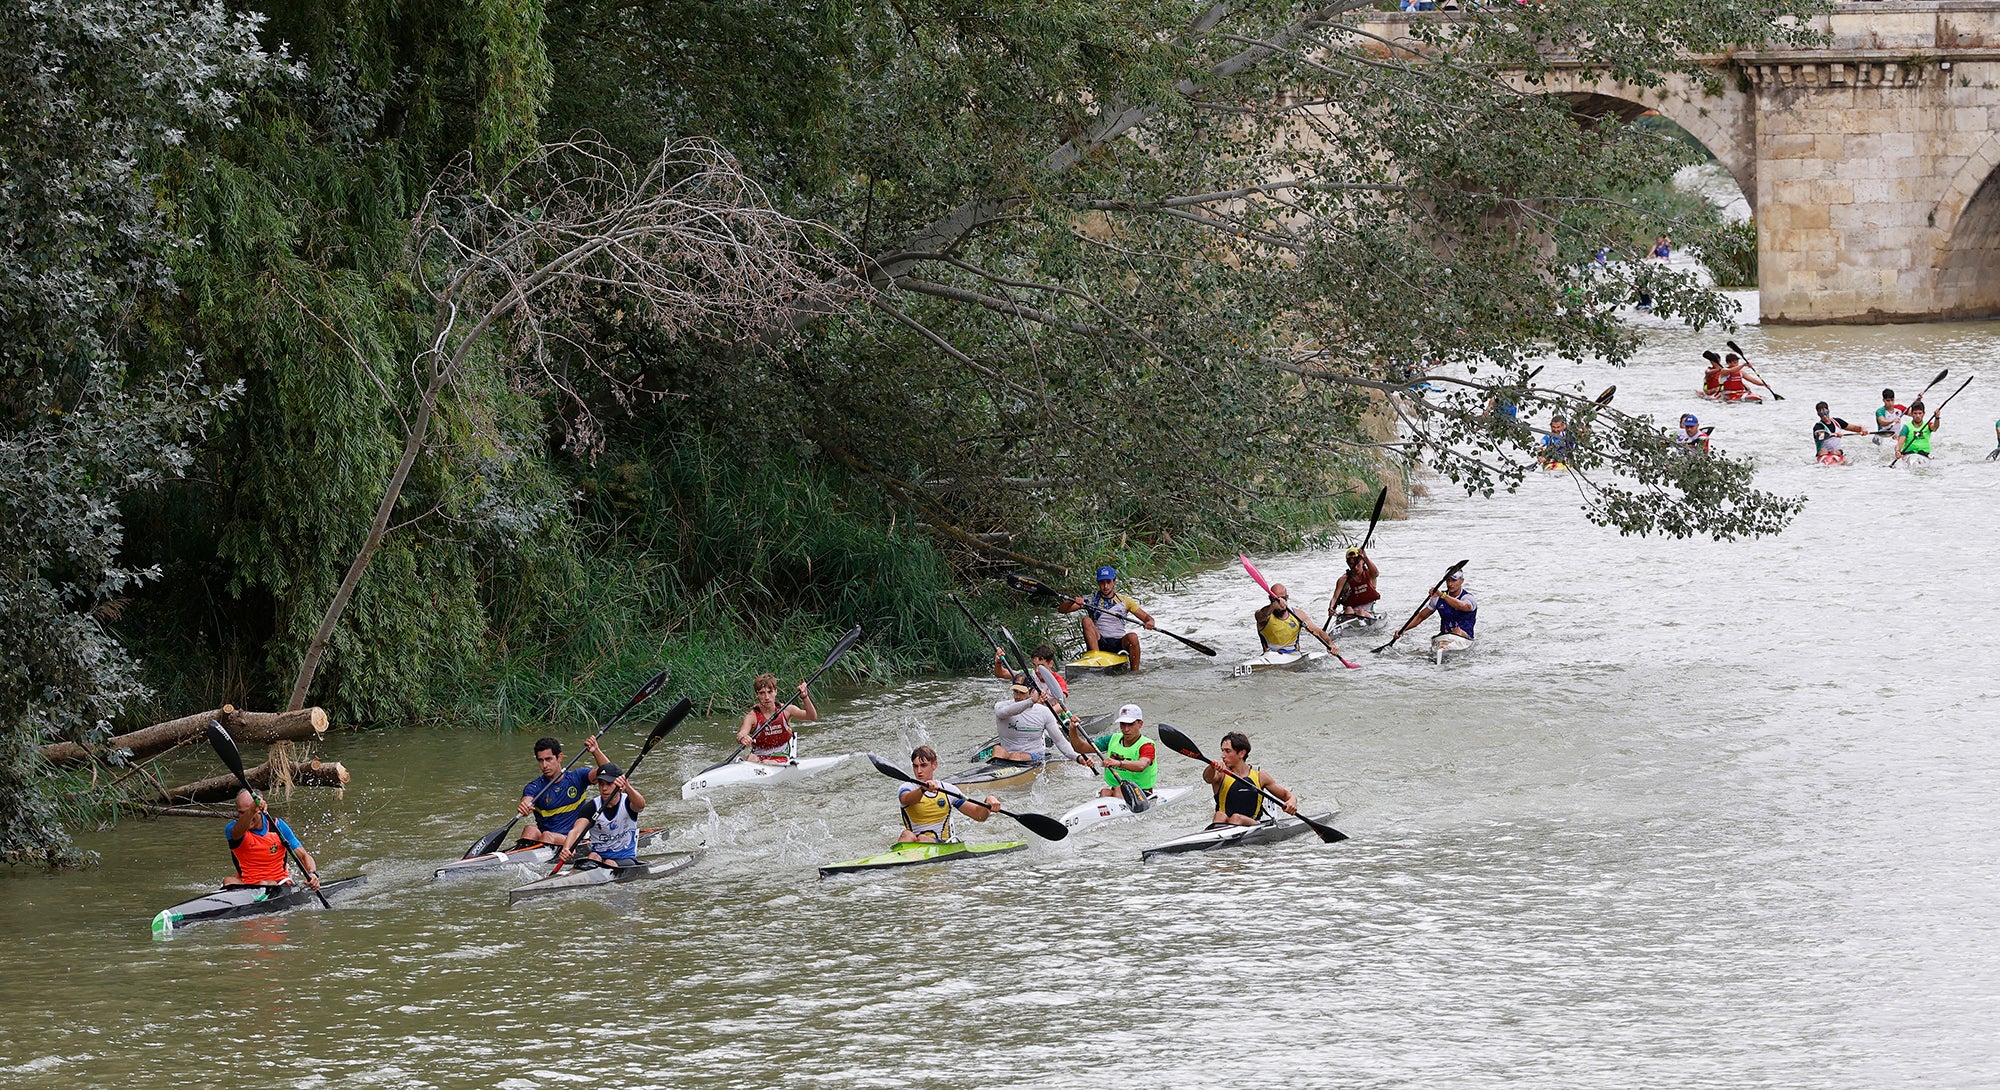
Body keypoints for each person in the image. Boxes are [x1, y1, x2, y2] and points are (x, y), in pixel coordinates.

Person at [1057, 566, 1157, 671]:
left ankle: (1135, 673)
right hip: (1100, 641)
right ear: (1098, 583)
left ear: (1114, 581)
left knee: (1133, 637)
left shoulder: (1125, 601)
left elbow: (1146, 617)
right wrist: (1072, 601)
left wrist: (1150, 622)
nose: (1105, 586)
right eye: (1102, 582)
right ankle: (1096, 659)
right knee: (1086, 620)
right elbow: (1062, 610)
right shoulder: (1090, 599)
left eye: (1108, 582)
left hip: (1119, 642)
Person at [518, 735, 612, 847]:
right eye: (540, 760)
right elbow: (527, 800)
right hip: (547, 839)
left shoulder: (578, 777)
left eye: (548, 759)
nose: (544, 765)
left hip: (573, 837)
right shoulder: (534, 786)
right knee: (530, 830)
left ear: (560, 757)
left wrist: (596, 751)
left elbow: (610, 772)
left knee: (547, 836)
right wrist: (524, 805)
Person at [224, 788, 321, 890]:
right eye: (241, 813)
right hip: (247, 885)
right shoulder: (232, 829)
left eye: (250, 811)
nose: (246, 816)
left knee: (265, 883)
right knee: (228, 881)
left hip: (278, 884)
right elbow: (237, 833)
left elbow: (304, 856)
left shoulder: (278, 827)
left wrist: (312, 874)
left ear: (260, 810)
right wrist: (251, 811)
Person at [897, 745, 999, 843]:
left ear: (934, 765)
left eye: (923, 765)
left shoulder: (948, 790)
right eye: (915, 766)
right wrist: (922, 790)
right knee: (906, 835)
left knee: (923, 838)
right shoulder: (907, 787)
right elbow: (906, 800)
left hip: (942, 844)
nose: (919, 771)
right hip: (914, 843)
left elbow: (978, 815)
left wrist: (988, 803)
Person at [555, 763, 646, 870]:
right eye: (601, 784)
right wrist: (567, 848)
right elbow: (576, 831)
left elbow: (641, 806)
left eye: (609, 784)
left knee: (609, 863)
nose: (604, 788)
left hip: (625, 858)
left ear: (619, 784)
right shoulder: (592, 807)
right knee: (592, 856)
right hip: (598, 857)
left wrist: (628, 787)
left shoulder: (628, 802)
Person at [1202, 732, 1300, 829]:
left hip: (1253, 825)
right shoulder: (1220, 774)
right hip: (1222, 825)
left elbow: (1287, 795)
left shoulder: (1260, 776)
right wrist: (1212, 766)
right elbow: (1207, 778)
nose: (1223, 755)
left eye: (1227, 751)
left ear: (1242, 753)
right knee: (1220, 815)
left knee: (1236, 818)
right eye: (1222, 751)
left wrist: (1292, 802)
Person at [990, 682, 1084, 764]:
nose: (1017, 696)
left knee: (1015, 756)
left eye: (1022, 693)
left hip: (1035, 756)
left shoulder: (1044, 712)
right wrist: (1031, 701)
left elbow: (1060, 742)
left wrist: (1078, 757)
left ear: (1031, 692)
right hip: (1008, 755)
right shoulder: (1001, 706)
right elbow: (1005, 712)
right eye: (1015, 691)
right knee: (997, 750)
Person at [738, 674, 818, 766]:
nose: (767, 697)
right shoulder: (752, 716)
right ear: (757, 695)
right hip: (759, 754)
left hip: (782, 752)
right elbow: (741, 733)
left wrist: (805, 697)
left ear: (775, 692)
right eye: (762, 693)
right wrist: (743, 738)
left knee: (766, 762)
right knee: (751, 759)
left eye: (770, 692)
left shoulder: (787, 710)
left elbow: (811, 716)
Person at [1253, 583, 1344, 658]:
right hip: (1270, 656)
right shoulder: (1262, 615)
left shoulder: (1298, 615)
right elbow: (1261, 616)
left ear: (1287, 598)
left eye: (1283, 599)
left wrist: (1330, 644)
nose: (1281, 603)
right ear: (1270, 599)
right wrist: (1273, 605)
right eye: (1276, 600)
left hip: (1293, 655)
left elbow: (1319, 632)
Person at [1093, 704, 1159, 803]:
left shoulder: (1147, 745)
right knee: (1105, 792)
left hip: (1142, 793)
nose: (1126, 729)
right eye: (1123, 724)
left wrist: (1118, 763)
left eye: (1130, 724)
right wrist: (1073, 729)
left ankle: (1120, 810)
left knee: (1119, 789)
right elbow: (1080, 747)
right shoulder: (1113, 739)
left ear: (1140, 724)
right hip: (1119, 789)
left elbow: (1141, 765)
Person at [1390, 569, 1476, 643]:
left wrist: (1442, 595)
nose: (1450, 584)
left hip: (1464, 638)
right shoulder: (1437, 598)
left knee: (1457, 630)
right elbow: (1420, 617)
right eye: (1448, 580)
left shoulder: (1468, 598)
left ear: (1461, 581)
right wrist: (1403, 629)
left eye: (1453, 580)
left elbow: (1461, 606)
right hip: (1444, 636)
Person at [991, 642, 1067, 697]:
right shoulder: (1029, 674)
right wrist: (998, 662)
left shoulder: (1058, 681)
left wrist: (1043, 713)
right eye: (1034, 665)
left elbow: (1060, 705)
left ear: (1050, 663)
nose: (1036, 670)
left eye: (1041, 666)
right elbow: (1001, 674)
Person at [1329, 547, 1381, 622]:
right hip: (1350, 612)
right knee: (1348, 610)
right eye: (1351, 564)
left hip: (1367, 612)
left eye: (1357, 564)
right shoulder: (1343, 580)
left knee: (1360, 612)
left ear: (1363, 562)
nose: (1355, 567)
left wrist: (1365, 557)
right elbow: (1335, 598)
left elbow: (1376, 573)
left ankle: (1361, 622)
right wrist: (1331, 608)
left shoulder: (1370, 574)